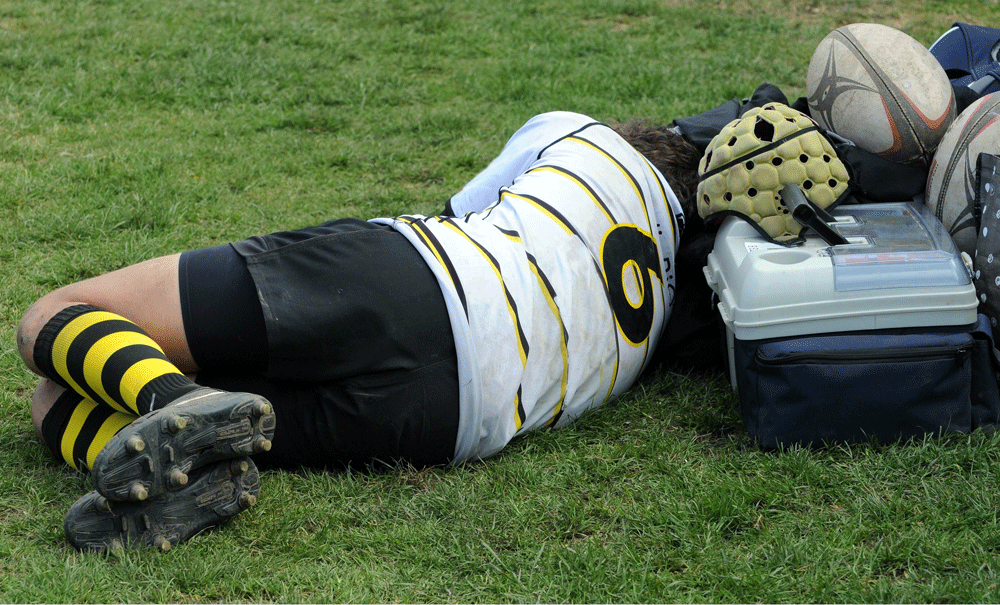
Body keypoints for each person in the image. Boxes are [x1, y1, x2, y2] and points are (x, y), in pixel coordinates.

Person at [16, 110, 704, 553]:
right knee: (54, 400)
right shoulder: (666, 309)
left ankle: (170, 396)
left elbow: (457, 208)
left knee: (50, 320)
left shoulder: (583, 135)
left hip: (418, 282)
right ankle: (196, 474)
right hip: (455, 420)